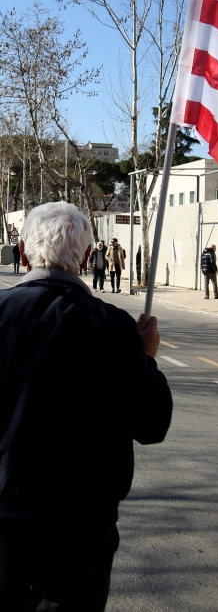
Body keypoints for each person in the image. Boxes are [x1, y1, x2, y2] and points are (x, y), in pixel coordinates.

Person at [0, 201, 172, 611]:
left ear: (23, 253)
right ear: (84, 257)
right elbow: (152, 424)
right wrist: (146, 359)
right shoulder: (113, 327)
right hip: (81, 529)